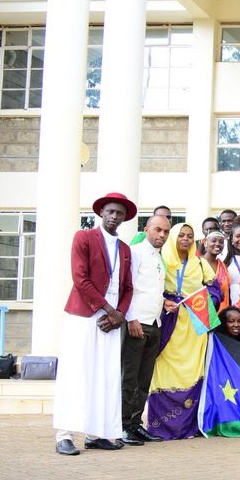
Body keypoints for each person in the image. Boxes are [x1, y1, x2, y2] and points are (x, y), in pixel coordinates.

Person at [54, 193, 137, 456]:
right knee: (76, 373)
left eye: (119, 213)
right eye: (110, 211)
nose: (114, 216)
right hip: (84, 315)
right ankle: (64, 435)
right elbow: (80, 279)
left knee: (106, 376)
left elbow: (128, 287)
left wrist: (119, 314)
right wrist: (110, 310)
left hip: (110, 322)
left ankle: (96, 434)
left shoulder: (125, 249)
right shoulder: (84, 238)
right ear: (101, 212)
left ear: (124, 218)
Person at [146, 222, 221, 440]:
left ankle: (189, 427)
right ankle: (160, 427)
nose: (185, 239)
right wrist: (164, 301)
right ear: (173, 238)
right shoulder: (160, 260)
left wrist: (205, 299)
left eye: (189, 235)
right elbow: (149, 288)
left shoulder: (200, 264)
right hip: (168, 323)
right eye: (181, 235)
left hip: (194, 325)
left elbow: (216, 291)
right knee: (163, 370)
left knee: (193, 370)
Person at [120, 214, 170, 447]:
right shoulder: (135, 252)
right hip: (137, 322)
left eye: (165, 232)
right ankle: (122, 426)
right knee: (129, 377)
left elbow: (151, 290)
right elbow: (127, 287)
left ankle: (135, 424)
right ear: (146, 229)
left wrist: (164, 303)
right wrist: (131, 318)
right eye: (157, 229)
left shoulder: (159, 257)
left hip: (155, 323)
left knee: (144, 379)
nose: (162, 235)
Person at [201, 231, 231, 312]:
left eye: (221, 242)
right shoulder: (197, 263)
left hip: (223, 312)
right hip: (203, 311)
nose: (217, 244)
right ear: (205, 243)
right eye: (213, 241)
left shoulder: (223, 266)